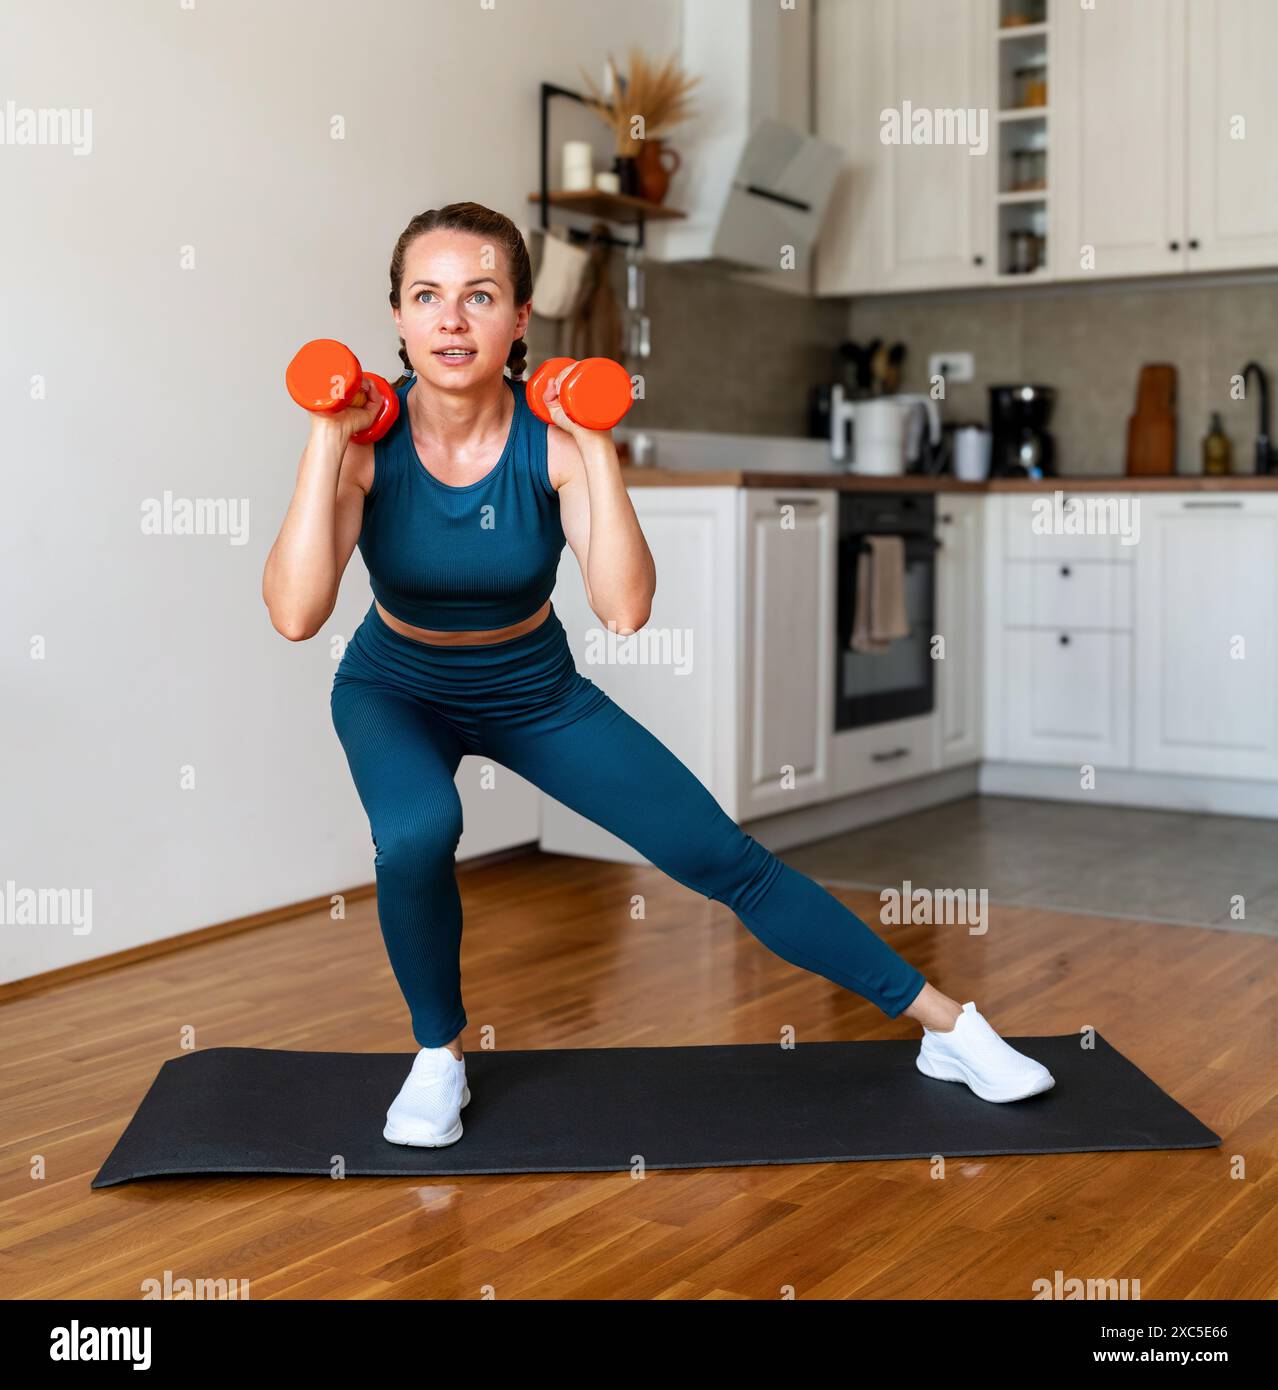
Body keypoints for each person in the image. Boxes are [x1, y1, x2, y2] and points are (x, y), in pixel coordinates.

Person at [261, 202, 1054, 1147]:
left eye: (481, 296)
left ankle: (947, 1028)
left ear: (521, 321)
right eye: (427, 297)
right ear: (396, 317)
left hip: (534, 691)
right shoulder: (361, 449)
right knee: (421, 830)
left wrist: (596, 441)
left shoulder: (548, 447)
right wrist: (324, 436)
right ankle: (439, 1056)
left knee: (724, 858)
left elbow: (626, 609)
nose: (452, 320)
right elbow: (297, 615)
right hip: (395, 686)